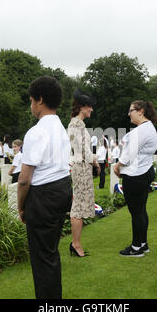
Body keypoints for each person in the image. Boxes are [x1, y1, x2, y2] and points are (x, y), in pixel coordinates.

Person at [17, 76, 72, 299]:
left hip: (43, 196)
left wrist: (21, 206)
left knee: (41, 259)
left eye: (31, 100)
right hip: (62, 189)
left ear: (39, 99)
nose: (30, 105)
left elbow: (23, 179)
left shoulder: (36, 132)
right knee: (50, 253)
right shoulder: (60, 127)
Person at [114, 100, 157, 257]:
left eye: (131, 110)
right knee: (141, 210)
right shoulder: (148, 128)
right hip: (144, 171)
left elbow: (128, 155)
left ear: (140, 111)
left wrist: (117, 166)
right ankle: (143, 243)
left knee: (137, 212)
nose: (128, 113)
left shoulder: (141, 131)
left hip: (136, 175)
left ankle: (136, 247)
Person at [67, 88, 100, 258]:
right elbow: (81, 151)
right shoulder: (74, 125)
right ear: (82, 107)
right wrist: (96, 158)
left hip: (84, 168)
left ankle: (76, 243)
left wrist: (93, 161)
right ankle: (75, 244)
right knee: (78, 207)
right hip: (80, 169)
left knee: (80, 206)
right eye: (90, 107)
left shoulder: (80, 125)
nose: (92, 110)